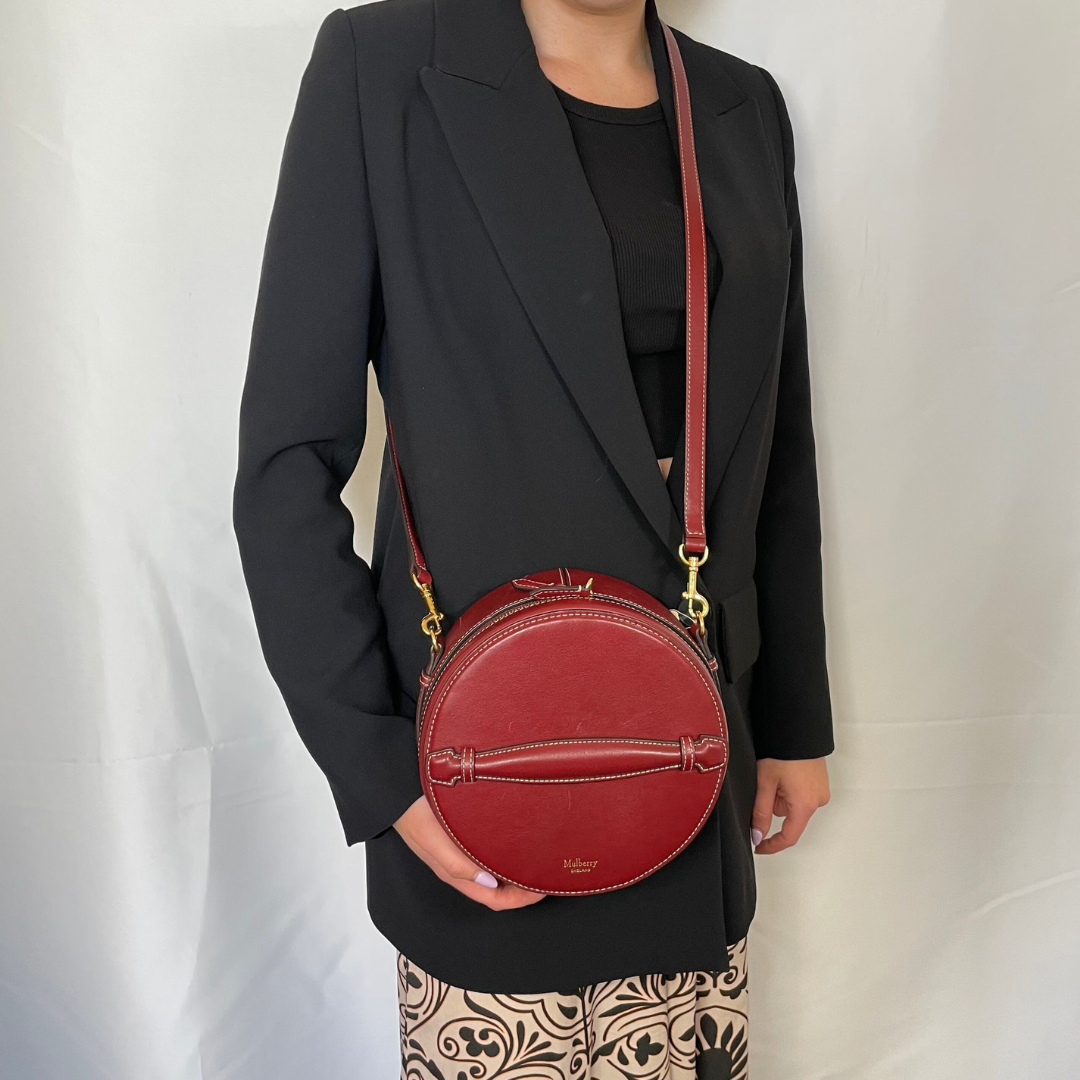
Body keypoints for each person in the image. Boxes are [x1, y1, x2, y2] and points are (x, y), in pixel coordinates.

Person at [233, 0, 833, 1075]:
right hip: (486, 754)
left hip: (691, 740)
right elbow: (287, 464)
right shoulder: (384, 66)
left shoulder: (740, 105)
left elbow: (773, 433)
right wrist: (379, 774)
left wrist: (792, 716)